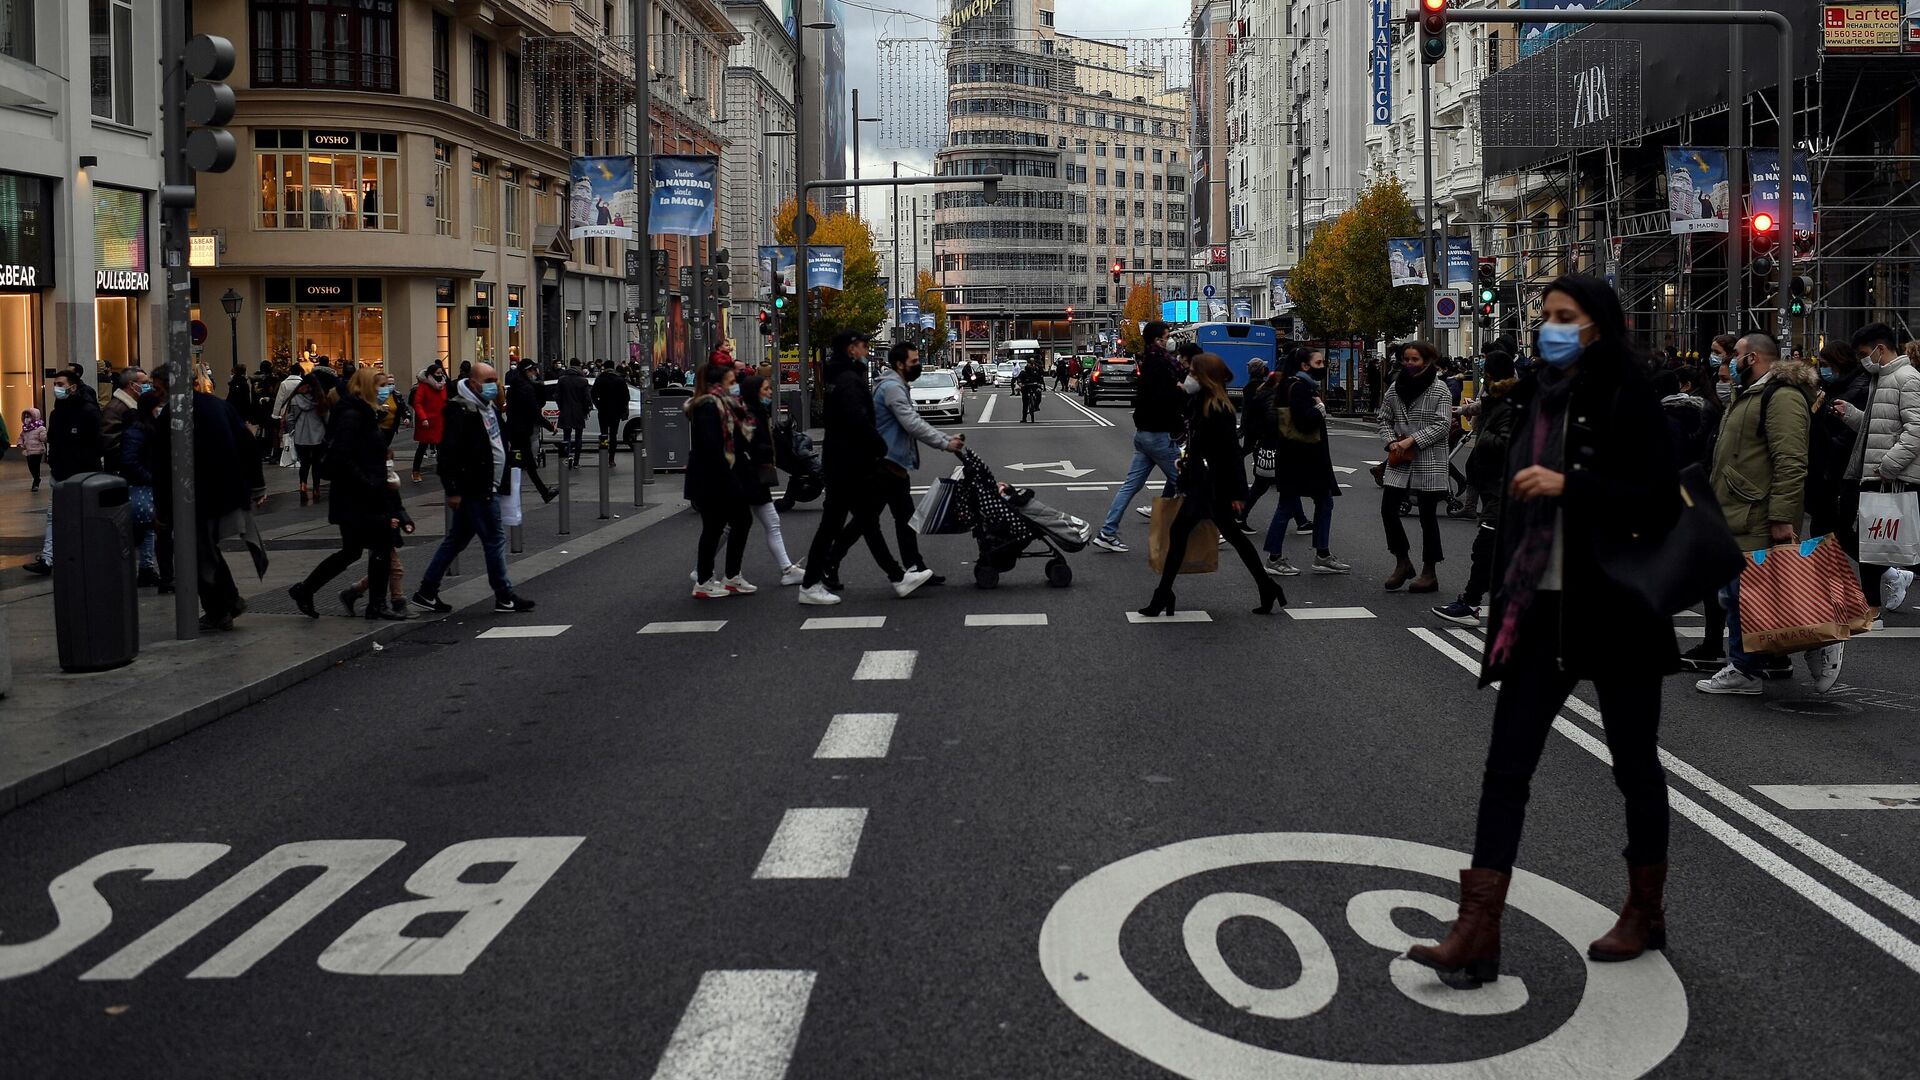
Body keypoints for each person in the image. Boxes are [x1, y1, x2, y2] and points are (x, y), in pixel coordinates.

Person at [1408, 275, 1681, 988]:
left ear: (1600, 325)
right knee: (1506, 770)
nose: (1551, 327)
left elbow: (1657, 501)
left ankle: (1646, 910)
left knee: (1634, 767)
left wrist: (1572, 486)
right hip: (1539, 608)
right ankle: (1478, 930)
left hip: (1615, 610)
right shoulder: (1535, 392)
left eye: (1568, 317)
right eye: (1548, 316)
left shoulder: (1629, 392)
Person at [1697, 332, 1841, 695]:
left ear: (1753, 359)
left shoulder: (1782, 397)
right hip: (1737, 509)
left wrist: (1781, 516)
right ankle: (1765, 659)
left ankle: (1790, 650)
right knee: (1743, 594)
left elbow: (1791, 461)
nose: (1730, 361)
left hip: (1758, 512)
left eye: (1737, 355)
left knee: (1746, 593)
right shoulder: (1751, 395)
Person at [1137, 352, 1286, 617]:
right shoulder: (1201, 402)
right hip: (1202, 482)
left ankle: (1163, 594)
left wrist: (1239, 492)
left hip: (1212, 486)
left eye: (1193, 373)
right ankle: (1267, 586)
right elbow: (1188, 433)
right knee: (1231, 537)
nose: (1189, 377)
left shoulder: (1219, 409)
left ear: (1205, 377)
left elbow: (1230, 453)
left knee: (1181, 534)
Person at [796, 331, 933, 605]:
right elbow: (857, 421)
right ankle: (812, 583)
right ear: (851, 349)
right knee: (839, 525)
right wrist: (878, 447)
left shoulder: (839, 377)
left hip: (843, 461)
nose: (867, 352)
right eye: (863, 346)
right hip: (848, 463)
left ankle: (896, 577)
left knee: (864, 523)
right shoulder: (849, 381)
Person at [410, 363, 535, 614]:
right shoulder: (460, 409)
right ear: (474, 383)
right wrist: (453, 488)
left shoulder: (488, 407)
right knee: (494, 539)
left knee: (457, 539)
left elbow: (499, 439)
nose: (494, 385)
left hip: (487, 484)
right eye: (489, 380)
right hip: (476, 486)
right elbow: (449, 453)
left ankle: (427, 591)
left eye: (496, 380)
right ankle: (504, 595)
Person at [288, 367, 411, 621]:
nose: (384, 391)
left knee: (354, 550)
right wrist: (368, 483)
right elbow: (341, 458)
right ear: (366, 387)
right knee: (379, 546)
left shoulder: (361, 413)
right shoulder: (353, 416)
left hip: (359, 496)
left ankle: (306, 590)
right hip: (358, 497)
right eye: (379, 386)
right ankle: (375, 604)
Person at [1835, 324, 1920, 616]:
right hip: (1877, 473)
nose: (1863, 360)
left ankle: (1871, 605)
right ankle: (1870, 605)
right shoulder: (1881, 378)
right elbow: (1880, 428)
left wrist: (1888, 465)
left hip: (1893, 476)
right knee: (1872, 542)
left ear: (1879, 349)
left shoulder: (1906, 378)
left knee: (1903, 543)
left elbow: (1916, 430)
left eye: (1864, 353)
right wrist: (1853, 416)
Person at [1433, 350, 1519, 625]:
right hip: (1496, 486)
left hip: (1502, 489)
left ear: (1491, 374)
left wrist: (1484, 438)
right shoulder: (1497, 399)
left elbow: (1507, 443)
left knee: (1485, 549)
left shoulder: (1507, 403)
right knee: (1497, 550)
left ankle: (1470, 603)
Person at [874, 341, 966, 583]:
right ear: (899, 364)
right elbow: (911, 423)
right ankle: (827, 565)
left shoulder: (896, 385)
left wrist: (945, 439)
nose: (918, 365)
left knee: (905, 518)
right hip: (884, 464)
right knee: (866, 523)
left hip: (894, 465)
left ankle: (916, 567)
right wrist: (945, 443)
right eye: (914, 362)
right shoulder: (892, 388)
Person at [1093, 321, 1184, 552]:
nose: (1169, 340)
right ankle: (1212, 530)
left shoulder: (1147, 361)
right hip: (1160, 435)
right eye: (1166, 336)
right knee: (1188, 483)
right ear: (1158, 340)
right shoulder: (1162, 365)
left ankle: (1107, 532)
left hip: (1144, 435)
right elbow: (1165, 398)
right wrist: (1181, 392)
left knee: (1130, 486)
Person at [1262, 348, 1351, 577]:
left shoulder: (1293, 385)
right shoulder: (1299, 388)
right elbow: (1303, 421)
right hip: (1301, 458)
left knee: (1321, 502)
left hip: (1300, 457)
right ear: (1304, 365)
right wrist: (1319, 410)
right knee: (1290, 506)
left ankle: (1322, 554)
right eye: (1319, 362)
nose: (1323, 366)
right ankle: (1275, 557)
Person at [1378, 340, 1454, 593]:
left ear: (1427, 361)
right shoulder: (1395, 389)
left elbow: (1443, 424)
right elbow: (1384, 418)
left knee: (1427, 517)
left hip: (1429, 460)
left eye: (1415, 360)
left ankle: (1429, 571)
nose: (1409, 364)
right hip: (1399, 459)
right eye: (1406, 359)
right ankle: (1402, 560)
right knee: (1388, 510)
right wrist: (1390, 442)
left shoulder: (1439, 389)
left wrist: (1414, 439)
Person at [684, 361, 758, 598]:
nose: (736, 387)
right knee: (717, 526)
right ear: (719, 384)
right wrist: (728, 478)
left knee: (730, 523)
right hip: (713, 478)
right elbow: (712, 446)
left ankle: (729, 577)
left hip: (719, 475)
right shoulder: (709, 406)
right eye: (732, 382)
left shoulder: (725, 406)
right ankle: (706, 581)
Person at [23, 370, 103, 576]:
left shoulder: (88, 411)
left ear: (72, 386)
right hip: (60, 474)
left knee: (84, 517)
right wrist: (55, 464)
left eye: (60, 383)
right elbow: (54, 441)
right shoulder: (57, 412)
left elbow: (96, 444)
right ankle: (48, 558)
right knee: (53, 516)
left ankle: (85, 556)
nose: (56, 387)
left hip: (83, 476)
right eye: (55, 383)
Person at [741, 372, 806, 585]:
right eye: (766, 389)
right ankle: (703, 569)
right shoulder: (751, 415)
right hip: (751, 476)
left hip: (753, 476)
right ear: (755, 392)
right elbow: (746, 444)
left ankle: (787, 569)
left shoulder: (757, 413)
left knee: (770, 522)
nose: (770, 393)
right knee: (733, 526)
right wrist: (767, 449)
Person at [1811, 338, 1873, 541]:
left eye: (1826, 365)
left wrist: (1823, 445)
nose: (1822, 370)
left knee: (1840, 531)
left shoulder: (1859, 388)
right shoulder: (1831, 387)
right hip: (1830, 469)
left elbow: (1852, 434)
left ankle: (1889, 573)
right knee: (1826, 530)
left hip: (1844, 470)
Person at [340, 452, 415, 617]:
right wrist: (390, 520)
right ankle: (398, 602)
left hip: (387, 531)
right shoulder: (372, 484)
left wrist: (406, 521)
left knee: (384, 569)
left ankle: (353, 591)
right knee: (395, 569)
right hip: (379, 531)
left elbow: (397, 505)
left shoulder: (390, 482)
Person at [119, 384, 166, 587]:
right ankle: (144, 568)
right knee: (143, 528)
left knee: (147, 529)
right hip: (140, 486)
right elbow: (129, 461)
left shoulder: (149, 429)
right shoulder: (137, 431)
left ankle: (146, 567)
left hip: (146, 484)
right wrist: (150, 477)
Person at [504, 358, 557, 503]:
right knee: (524, 462)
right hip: (521, 429)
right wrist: (550, 426)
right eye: (533, 370)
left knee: (519, 462)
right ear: (527, 371)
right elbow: (534, 412)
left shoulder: (515, 386)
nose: (535, 373)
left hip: (514, 428)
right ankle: (542, 492)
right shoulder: (526, 388)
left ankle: (543, 492)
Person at [1234, 359, 1274, 532]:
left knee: (1273, 481)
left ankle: (1301, 520)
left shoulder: (1250, 387)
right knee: (1263, 481)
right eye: (1264, 367)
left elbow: (1247, 413)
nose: (1267, 368)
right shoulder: (1261, 388)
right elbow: (1260, 413)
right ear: (1260, 370)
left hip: (1257, 434)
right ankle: (1240, 515)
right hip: (1262, 436)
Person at [285, 372, 330, 506]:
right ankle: (316, 489)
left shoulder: (295, 399)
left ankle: (302, 486)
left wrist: (291, 430)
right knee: (316, 464)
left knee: (304, 464)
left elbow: (290, 418)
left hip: (301, 435)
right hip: (318, 435)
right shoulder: (321, 399)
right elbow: (327, 418)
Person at [99, 366, 148, 474]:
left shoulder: (135, 405)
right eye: (144, 383)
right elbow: (110, 443)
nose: (148, 386)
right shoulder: (115, 409)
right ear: (132, 385)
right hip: (122, 471)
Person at [409, 365, 449, 482]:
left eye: (441, 373)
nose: (440, 375)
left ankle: (443, 469)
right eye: (437, 373)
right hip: (426, 422)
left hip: (440, 421)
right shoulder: (423, 387)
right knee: (422, 447)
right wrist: (423, 418)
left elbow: (445, 401)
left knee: (441, 447)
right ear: (430, 374)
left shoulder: (443, 386)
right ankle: (416, 471)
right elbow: (418, 403)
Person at [556, 359, 593, 468]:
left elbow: (557, 396)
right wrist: (586, 410)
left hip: (565, 410)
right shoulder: (583, 381)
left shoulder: (562, 380)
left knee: (566, 436)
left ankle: (566, 458)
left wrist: (561, 407)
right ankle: (576, 461)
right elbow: (587, 398)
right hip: (579, 411)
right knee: (578, 437)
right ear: (579, 366)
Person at [592, 361, 630, 465]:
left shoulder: (600, 379)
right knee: (613, 435)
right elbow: (626, 397)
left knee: (603, 434)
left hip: (603, 410)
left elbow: (593, 394)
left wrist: (598, 405)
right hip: (616, 411)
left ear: (605, 367)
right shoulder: (619, 380)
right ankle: (611, 458)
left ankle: (603, 455)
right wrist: (622, 408)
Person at [19, 407, 47, 492]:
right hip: (28, 451)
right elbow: (21, 437)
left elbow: (44, 438)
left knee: (35, 466)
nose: (27, 419)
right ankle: (36, 478)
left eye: (29, 416)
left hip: (37, 450)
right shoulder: (25, 429)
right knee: (31, 466)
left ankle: (36, 481)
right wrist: (20, 443)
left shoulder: (40, 428)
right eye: (26, 417)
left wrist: (44, 437)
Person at [1016, 355, 1046, 422]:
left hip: (1034, 386)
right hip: (1026, 388)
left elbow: (1040, 378)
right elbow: (1019, 379)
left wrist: (1040, 383)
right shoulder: (1023, 372)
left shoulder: (1036, 370)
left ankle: (1036, 406)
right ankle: (1024, 418)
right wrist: (1020, 383)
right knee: (1025, 403)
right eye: (1030, 364)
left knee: (1039, 393)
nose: (1031, 365)